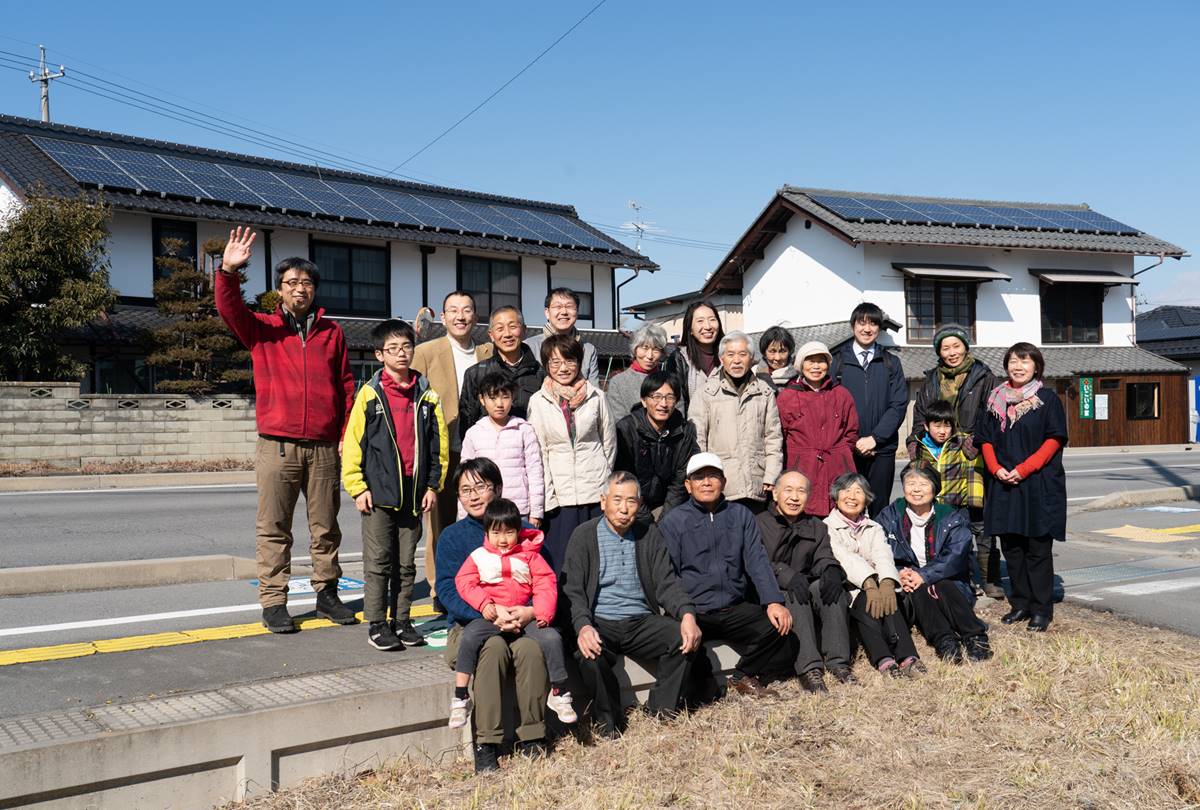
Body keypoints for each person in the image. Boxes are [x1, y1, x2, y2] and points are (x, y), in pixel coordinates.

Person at [215, 227, 357, 633]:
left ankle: (327, 593)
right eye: (292, 283)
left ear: (314, 290)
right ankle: (275, 600)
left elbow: (346, 385)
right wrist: (227, 271)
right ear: (280, 290)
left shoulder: (332, 333)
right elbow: (229, 311)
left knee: (326, 526)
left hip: (324, 446)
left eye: (307, 283)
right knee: (274, 527)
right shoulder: (261, 329)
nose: (300, 289)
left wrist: (345, 432)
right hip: (276, 445)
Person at [560, 472, 703, 738]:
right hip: (600, 620)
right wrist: (583, 626)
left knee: (684, 637)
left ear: (640, 504)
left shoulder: (649, 534)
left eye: (631, 501)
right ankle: (609, 721)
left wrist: (686, 613)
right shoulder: (584, 536)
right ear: (603, 502)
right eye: (617, 500)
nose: (624, 509)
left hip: (640, 621)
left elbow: (666, 583)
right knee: (589, 657)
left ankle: (661, 709)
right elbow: (573, 590)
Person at [434, 458, 550, 772]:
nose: (473, 496)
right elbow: (446, 590)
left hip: (520, 623)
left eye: (481, 488)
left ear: (496, 489)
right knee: (494, 649)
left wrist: (529, 612)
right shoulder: (453, 537)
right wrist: (489, 613)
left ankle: (533, 738)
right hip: (472, 627)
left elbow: (545, 579)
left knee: (529, 648)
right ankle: (487, 743)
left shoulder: (522, 529)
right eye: (465, 490)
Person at [342, 319, 448, 650]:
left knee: (405, 563)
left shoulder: (427, 395)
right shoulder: (370, 394)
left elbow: (438, 446)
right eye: (393, 349)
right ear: (379, 355)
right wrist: (357, 487)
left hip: (414, 491)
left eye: (406, 347)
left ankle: (401, 620)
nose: (401, 354)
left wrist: (433, 485)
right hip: (378, 493)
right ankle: (377, 623)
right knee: (378, 562)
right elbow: (352, 443)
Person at [658, 453, 794, 698]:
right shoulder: (673, 521)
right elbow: (669, 574)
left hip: (733, 607)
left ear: (724, 481)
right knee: (688, 656)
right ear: (688, 485)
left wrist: (773, 601)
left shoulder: (740, 515)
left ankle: (743, 676)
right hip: (695, 610)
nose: (706, 482)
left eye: (713, 476)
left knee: (778, 628)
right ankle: (708, 685)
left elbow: (757, 560)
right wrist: (683, 613)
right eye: (699, 477)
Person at [449, 498, 575, 729]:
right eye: (496, 533)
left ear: (519, 531)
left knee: (552, 638)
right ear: (487, 533)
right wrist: (485, 605)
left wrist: (540, 613)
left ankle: (559, 691)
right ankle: (460, 696)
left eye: (509, 532)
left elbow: (546, 584)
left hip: (524, 615)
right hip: (492, 615)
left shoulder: (530, 556)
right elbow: (464, 581)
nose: (503, 539)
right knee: (469, 637)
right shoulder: (479, 556)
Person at [977, 342, 1068, 633]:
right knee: (1012, 547)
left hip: (1037, 482)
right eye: (1014, 361)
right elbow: (985, 439)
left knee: (1037, 547)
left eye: (1025, 361)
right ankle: (1020, 603)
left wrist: (1023, 469)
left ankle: (1041, 609)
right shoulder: (995, 399)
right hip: (1003, 482)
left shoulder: (1047, 398)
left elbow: (1054, 440)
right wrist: (995, 469)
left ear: (1036, 367)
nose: (1019, 366)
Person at [412, 291, 494, 609]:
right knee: (441, 522)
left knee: (481, 517)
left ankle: (479, 581)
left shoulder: (487, 351)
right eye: (453, 311)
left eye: (467, 309)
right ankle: (439, 588)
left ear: (476, 316)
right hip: (443, 449)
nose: (461, 316)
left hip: (480, 448)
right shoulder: (426, 351)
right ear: (443, 318)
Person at [906, 323, 1001, 596]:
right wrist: (915, 445)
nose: (951, 352)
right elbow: (921, 417)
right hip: (940, 456)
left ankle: (989, 578)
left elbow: (993, 414)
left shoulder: (983, 376)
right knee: (949, 520)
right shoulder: (931, 379)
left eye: (956, 346)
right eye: (945, 347)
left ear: (965, 347)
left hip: (974, 456)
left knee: (980, 520)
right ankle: (961, 574)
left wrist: (975, 441)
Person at [876, 463, 992, 663]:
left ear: (934, 488)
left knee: (941, 583)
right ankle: (945, 641)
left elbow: (956, 555)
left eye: (923, 484)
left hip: (950, 583)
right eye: (911, 483)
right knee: (917, 589)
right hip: (908, 582)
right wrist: (898, 574)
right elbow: (878, 549)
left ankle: (975, 637)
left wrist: (924, 575)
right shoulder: (890, 515)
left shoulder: (950, 516)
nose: (917, 489)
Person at [756, 471, 854, 692]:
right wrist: (787, 575)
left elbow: (823, 556)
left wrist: (830, 570)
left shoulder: (817, 526)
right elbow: (758, 562)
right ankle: (809, 668)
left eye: (801, 491)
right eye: (788, 490)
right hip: (773, 589)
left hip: (805, 582)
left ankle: (838, 662)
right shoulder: (759, 523)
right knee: (793, 593)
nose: (794, 497)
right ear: (775, 494)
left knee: (829, 587)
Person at [528, 334, 617, 574]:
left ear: (579, 362)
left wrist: (602, 478)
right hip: (560, 495)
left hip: (594, 491)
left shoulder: (597, 396)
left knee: (597, 558)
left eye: (569, 360)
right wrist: (549, 496)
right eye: (555, 362)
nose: (563, 368)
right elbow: (539, 452)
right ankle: (564, 611)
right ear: (546, 366)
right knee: (561, 561)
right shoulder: (538, 401)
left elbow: (608, 442)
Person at [824, 473, 923, 677]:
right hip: (851, 587)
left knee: (891, 598)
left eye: (858, 491)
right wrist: (869, 582)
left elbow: (883, 554)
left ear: (866, 498)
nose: (852, 496)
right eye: (846, 491)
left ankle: (907, 656)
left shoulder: (874, 527)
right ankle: (884, 659)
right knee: (864, 601)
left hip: (878, 582)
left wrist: (886, 581)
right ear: (836, 496)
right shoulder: (827, 526)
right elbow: (844, 557)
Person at [908, 399, 998, 599]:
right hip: (932, 506)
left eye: (947, 425)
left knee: (963, 545)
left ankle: (980, 580)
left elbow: (977, 442)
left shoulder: (961, 442)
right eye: (937, 425)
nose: (942, 431)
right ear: (926, 426)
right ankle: (953, 580)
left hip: (958, 505)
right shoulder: (919, 447)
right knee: (939, 546)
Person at [689, 331, 783, 514]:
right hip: (721, 484)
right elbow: (697, 440)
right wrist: (703, 479)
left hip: (756, 482)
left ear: (752, 358)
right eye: (730, 354)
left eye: (743, 354)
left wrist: (771, 475)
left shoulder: (764, 393)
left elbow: (773, 438)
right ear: (721, 358)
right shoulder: (706, 393)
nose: (737, 360)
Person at [831, 303, 908, 517]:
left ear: (879, 328)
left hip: (881, 449)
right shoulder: (837, 362)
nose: (867, 328)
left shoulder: (890, 362)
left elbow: (898, 404)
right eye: (861, 322)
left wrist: (875, 438)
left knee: (879, 507)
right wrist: (853, 440)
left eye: (873, 323)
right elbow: (831, 407)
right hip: (847, 448)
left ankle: (878, 550)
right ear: (853, 326)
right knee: (846, 505)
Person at [777, 341, 859, 518]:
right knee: (803, 514)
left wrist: (841, 456)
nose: (816, 366)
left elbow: (851, 432)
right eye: (810, 361)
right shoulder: (787, 396)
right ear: (801, 365)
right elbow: (780, 436)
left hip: (837, 465)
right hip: (802, 465)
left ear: (828, 365)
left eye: (821, 361)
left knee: (840, 514)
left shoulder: (841, 394)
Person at [614, 371, 699, 527]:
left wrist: (665, 521)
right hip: (633, 504)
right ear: (644, 400)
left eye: (670, 397)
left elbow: (679, 482)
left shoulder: (684, 431)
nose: (663, 404)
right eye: (656, 397)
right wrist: (647, 521)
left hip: (667, 505)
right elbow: (625, 479)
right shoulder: (626, 429)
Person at [459, 373, 544, 525]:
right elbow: (465, 477)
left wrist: (536, 511)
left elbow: (535, 471)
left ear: (513, 398)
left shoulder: (524, 429)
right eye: (492, 398)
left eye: (505, 397)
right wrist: (463, 514)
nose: (499, 403)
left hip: (518, 509)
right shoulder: (474, 433)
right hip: (484, 510)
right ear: (482, 400)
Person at [459, 306, 545, 437]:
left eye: (513, 326)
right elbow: (467, 422)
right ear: (491, 335)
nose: (507, 334)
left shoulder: (541, 373)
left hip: (530, 452)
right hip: (487, 453)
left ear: (524, 330)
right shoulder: (475, 374)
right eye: (500, 328)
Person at [525, 288, 599, 385]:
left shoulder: (588, 350)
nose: (564, 311)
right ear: (547, 312)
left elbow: (595, 392)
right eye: (558, 306)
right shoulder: (529, 347)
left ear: (577, 312)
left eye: (569, 306)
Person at [665, 299, 724, 413]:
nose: (707, 326)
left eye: (712, 320)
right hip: (692, 427)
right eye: (700, 321)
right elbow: (677, 402)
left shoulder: (729, 356)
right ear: (690, 329)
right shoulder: (679, 358)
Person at [605, 323, 671, 423]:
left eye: (656, 349)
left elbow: (677, 418)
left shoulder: (670, 381)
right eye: (644, 347)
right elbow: (619, 422)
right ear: (635, 349)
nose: (650, 355)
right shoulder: (618, 382)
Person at [756, 326, 799, 394]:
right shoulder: (752, 377)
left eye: (782, 351)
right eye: (772, 351)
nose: (777, 358)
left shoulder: (799, 378)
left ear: (790, 352)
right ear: (764, 353)